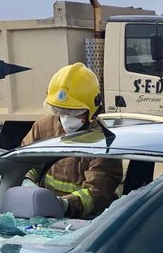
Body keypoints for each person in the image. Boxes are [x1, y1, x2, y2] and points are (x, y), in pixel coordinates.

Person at [21, 63, 122, 218]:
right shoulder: (43, 127)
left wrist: (65, 205)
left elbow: (97, 191)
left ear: (93, 110)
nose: (66, 118)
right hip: (42, 216)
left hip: (86, 222)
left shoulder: (104, 142)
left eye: (74, 112)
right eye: (60, 111)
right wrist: (27, 182)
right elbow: (25, 162)